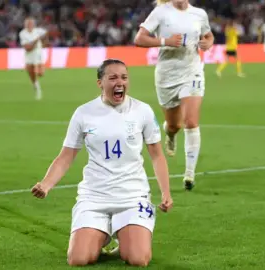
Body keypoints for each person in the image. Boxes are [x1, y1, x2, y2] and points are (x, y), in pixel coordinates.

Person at [31, 59, 173, 267]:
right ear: (100, 83)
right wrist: (46, 184)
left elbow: (157, 155)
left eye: (124, 77)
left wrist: (166, 192)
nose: (120, 82)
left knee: (138, 259)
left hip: (132, 195)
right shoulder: (83, 113)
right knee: (78, 259)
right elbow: (66, 155)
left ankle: (126, 237)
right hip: (94, 195)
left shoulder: (142, 111)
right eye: (113, 77)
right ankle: (103, 234)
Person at [134, 0, 214, 191]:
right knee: (174, 124)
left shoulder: (199, 14)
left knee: (191, 122)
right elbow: (139, 39)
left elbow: (209, 35)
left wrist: (207, 43)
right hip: (167, 75)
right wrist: (165, 42)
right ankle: (170, 133)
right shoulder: (160, 12)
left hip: (192, 71)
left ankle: (189, 174)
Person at [19, 17, 48, 100]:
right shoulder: (22, 33)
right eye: (27, 24)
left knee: (40, 73)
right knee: (31, 72)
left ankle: (36, 83)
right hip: (29, 56)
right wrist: (36, 41)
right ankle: (36, 86)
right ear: (25, 25)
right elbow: (27, 47)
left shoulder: (38, 31)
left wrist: (44, 42)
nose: (29, 25)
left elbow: (46, 34)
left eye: (31, 24)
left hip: (38, 55)